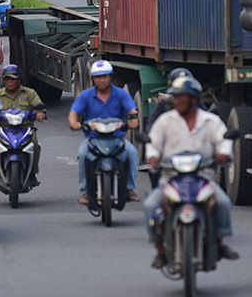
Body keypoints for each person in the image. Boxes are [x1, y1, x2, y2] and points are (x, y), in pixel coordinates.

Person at [143, 76, 238, 268]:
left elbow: (223, 140)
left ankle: (220, 242)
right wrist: (152, 157)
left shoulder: (211, 121)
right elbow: (153, 142)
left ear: (194, 99)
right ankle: (160, 250)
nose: (176, 101)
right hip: (171, 178)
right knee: (150, 205)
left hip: (203, 177)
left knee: (223, 202)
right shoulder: (165, 121)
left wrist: (223, 154)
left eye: (181, 97)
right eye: (175, 97)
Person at [68, 60, 140, 204]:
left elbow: (132, 110)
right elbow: (73, 113)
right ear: (93, 79)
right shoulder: (85, 95)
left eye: (105, 76)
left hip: (117, 138)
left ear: (111, 77)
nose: (102, 80)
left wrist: (133, 121)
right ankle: (85, 192)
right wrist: (75, 123)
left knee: (132, 153)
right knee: (82, 155)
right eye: (98, 77)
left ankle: (129, 189)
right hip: (93, 139)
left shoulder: (121, 94)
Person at [0, 64, 46, 187]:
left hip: (26, 128)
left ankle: (32, 174)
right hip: (3, 128)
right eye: (7, 79)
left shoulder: (29, 93)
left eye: (13, 79)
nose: (10, 82)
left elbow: (39, 106)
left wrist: (40, 113)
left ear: (19, 80)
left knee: (35, 145)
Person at [145, 67, 193, 189]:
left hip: (193, 150)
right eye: (178, 92)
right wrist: (151, 139)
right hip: (169, 149)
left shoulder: (199, 108)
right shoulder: (164, 105)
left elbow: (212, 126)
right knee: (151, 204)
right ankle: (156, 190)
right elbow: (152, 124)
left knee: (221, 202)